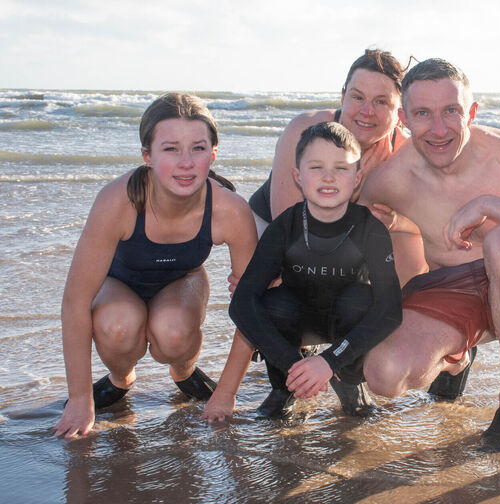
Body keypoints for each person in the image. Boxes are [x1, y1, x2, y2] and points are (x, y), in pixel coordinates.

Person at [358, 58, 500, 452]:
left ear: (473, 112)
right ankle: (457, 357)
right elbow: (339, 232)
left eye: (451, 111)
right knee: (383, 374)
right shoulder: (390, 180)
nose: (439, 128)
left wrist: (493, 206)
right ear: (404, 119)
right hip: (452, 292)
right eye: (423, 114)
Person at [54, 93, 258, 438]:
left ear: (213, 153)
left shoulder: (230, 211)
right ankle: (121, 379)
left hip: (183, 281)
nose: (186, 163)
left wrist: (227, 392)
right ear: (147, 155)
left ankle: (184, 370)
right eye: (170, 149)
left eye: (197, 148)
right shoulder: (117, 201)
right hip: (118, 284)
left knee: (174, 331)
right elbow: (75, 302)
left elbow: (254, 307)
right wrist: (80, 397)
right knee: (119, 327)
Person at [202, 122, 402, 422]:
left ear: (357, 177)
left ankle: (349, 383)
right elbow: (242, 303)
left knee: (361, 301)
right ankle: (285, 386)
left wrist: (329, 361)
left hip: (345, 322)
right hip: (297, 319)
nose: (328, 177)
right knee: (273, 304)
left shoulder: (370, 229)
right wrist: (293, 364)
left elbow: (390, 309)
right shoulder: (286, 225)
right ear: (298, 176)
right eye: (316, 167)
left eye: (342, 168)